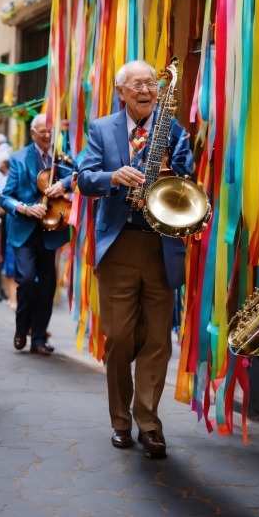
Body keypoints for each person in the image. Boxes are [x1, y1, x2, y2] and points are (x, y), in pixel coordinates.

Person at [77, 60, 193, 458]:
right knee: (120, 337)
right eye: (137, 84)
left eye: (151, 84)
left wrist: (170, 171)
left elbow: (188, 181)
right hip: (119, 246)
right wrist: (113, 177)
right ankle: (119, 422)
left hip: (161, 246)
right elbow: (83, 177)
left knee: (158, 341)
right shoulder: (101, 129)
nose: (146, 90)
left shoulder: (173, 129)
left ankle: (148, 424)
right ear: (121, 90)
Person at [1, 114, 73, 356]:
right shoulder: (18, 158)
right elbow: (5, 196)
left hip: (53, 229)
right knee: (28, 280)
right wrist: (25, 208)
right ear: (32, 134)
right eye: (41, 131)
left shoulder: (63, 156)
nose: (47, 135)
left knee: (48, 286)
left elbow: (78, 175)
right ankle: (22, 328)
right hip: (24, 230)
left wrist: (64, 183)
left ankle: (40, 338)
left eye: (50, 130)